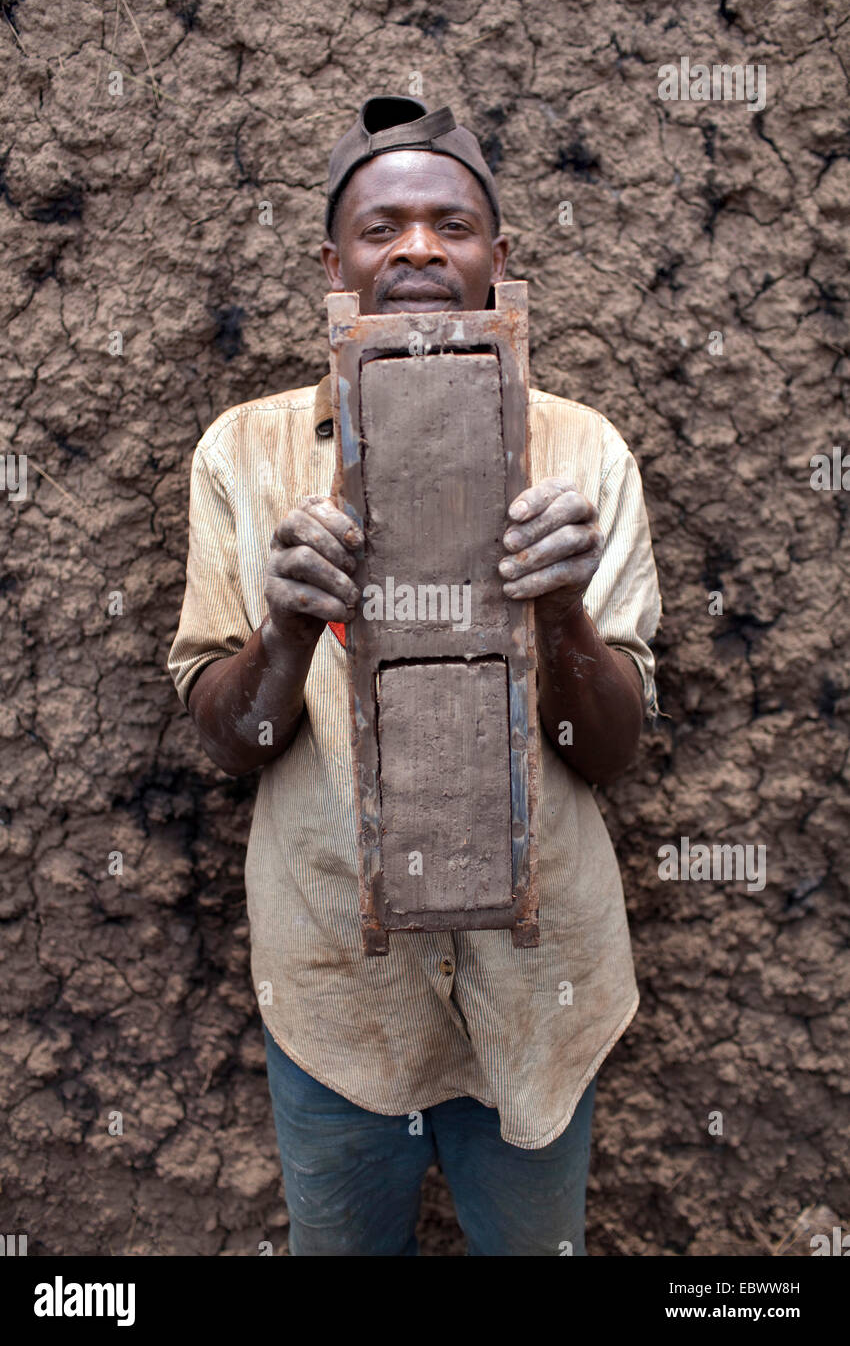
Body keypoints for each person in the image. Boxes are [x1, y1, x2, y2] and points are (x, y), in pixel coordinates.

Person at [167, 95, 662, 1256]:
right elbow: (225, 740)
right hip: (339, 987)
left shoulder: (581, 454)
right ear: (332, 263)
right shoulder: (245, 453)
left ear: (498, 258)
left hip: (539, 991)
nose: (421, 250)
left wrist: (560, 608)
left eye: (453, 225)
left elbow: (613, 750)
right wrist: (286, 630)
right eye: (384, 227)